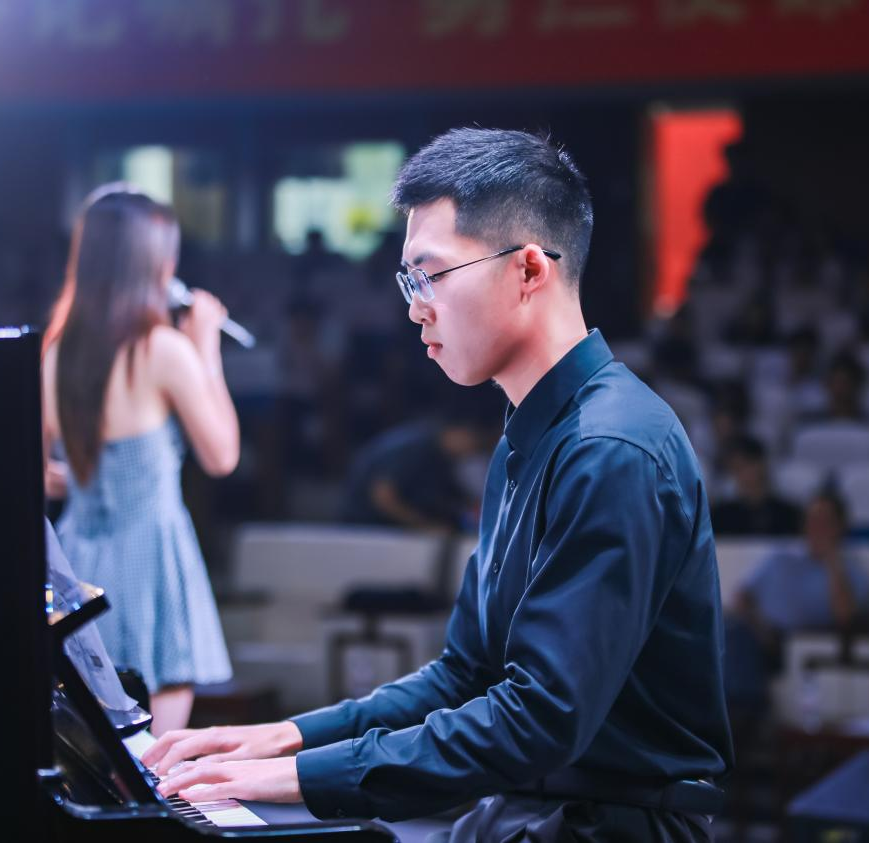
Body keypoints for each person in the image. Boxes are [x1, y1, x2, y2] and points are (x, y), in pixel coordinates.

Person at [143, 128, 733, 840]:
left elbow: (538, 720)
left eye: (431, 276)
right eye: (408, 281)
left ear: (528, 270)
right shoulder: (530, 436)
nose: (414, 307)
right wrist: (284, 739)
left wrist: (298, 780)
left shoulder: (610, 448)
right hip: (536, 810)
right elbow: (464, 676)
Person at [42, 189, 238, 735]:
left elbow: (43, 475)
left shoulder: (56, 353)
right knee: (153, 750)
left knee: (93, 740)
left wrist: (85, 479)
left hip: (78, 560)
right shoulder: (162, 349)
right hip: (151, 558)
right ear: (156, 263)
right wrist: (205, 348)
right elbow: (221, 456)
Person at [725, 491, 869, 712]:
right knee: (727, 630)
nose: (815, 527)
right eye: (811, 520)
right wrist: (759, 626)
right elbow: (742, 596)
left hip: (798, 642)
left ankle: (744, 714)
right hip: (757, 631)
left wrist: (832, 562)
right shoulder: (780, 557)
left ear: (840, 527)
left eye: (824, 521)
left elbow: (845, 618)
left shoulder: (853, 573)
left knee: (735, 640)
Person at [342, 416, 488, 532]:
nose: (472, 451)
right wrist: (424, 526)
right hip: (363, 527)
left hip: (387, 529)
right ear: (457, 432)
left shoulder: (442, 457)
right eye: (473, 441)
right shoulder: (417, 448)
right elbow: (383, 497)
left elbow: (453, 497)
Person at [711, 436, 801, 537]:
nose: (742, 475)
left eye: (744, 466)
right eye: (736, 469)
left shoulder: (788, 515)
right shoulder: (722, 516)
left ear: (761, 465)